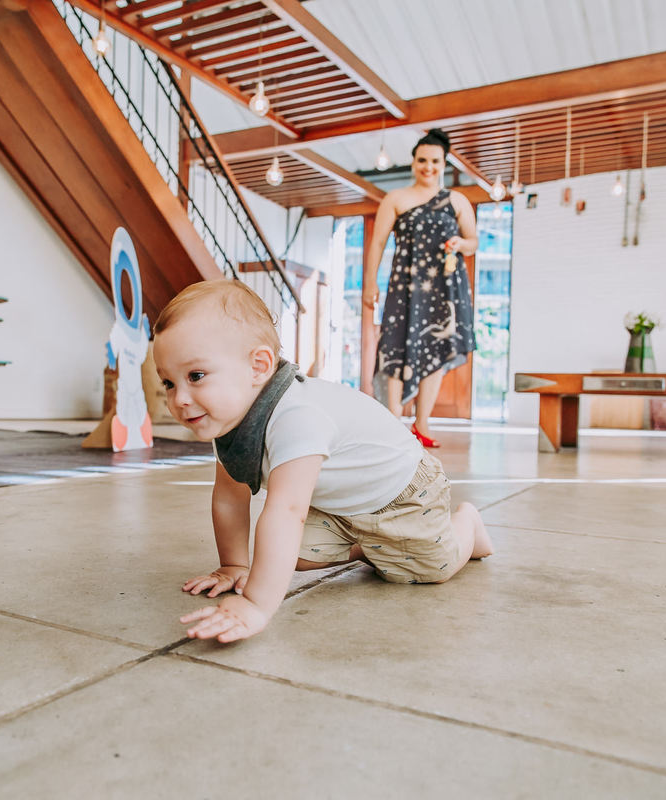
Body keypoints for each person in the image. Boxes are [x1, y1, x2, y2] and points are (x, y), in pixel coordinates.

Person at [153, 280, 493, 643]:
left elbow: (287, 510)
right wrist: (235, 565)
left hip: (404, 491)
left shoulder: (296, 416)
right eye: (169, 383)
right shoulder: (229, 423)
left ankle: (467, 526)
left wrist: (256, 603)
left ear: (259, 366)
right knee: (288, 555)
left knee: (430, 568)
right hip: (343, 506)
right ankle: (374, 546)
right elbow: (229, 497)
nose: (180, 399)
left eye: (196, 376)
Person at [363, 128, 478, 449]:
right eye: (422, 160)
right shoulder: (396, 199)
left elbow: (473, 242)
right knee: (396, 347)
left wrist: (460, 242)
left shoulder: (457, 200)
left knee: (436, 352)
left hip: (445, 288)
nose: (428, 166)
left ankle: (422, 423)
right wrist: (369, 282)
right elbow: (378, 243)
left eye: (435, 161)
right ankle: (393, 420)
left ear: (444, 164)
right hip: (405, 286)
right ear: (414, 162)